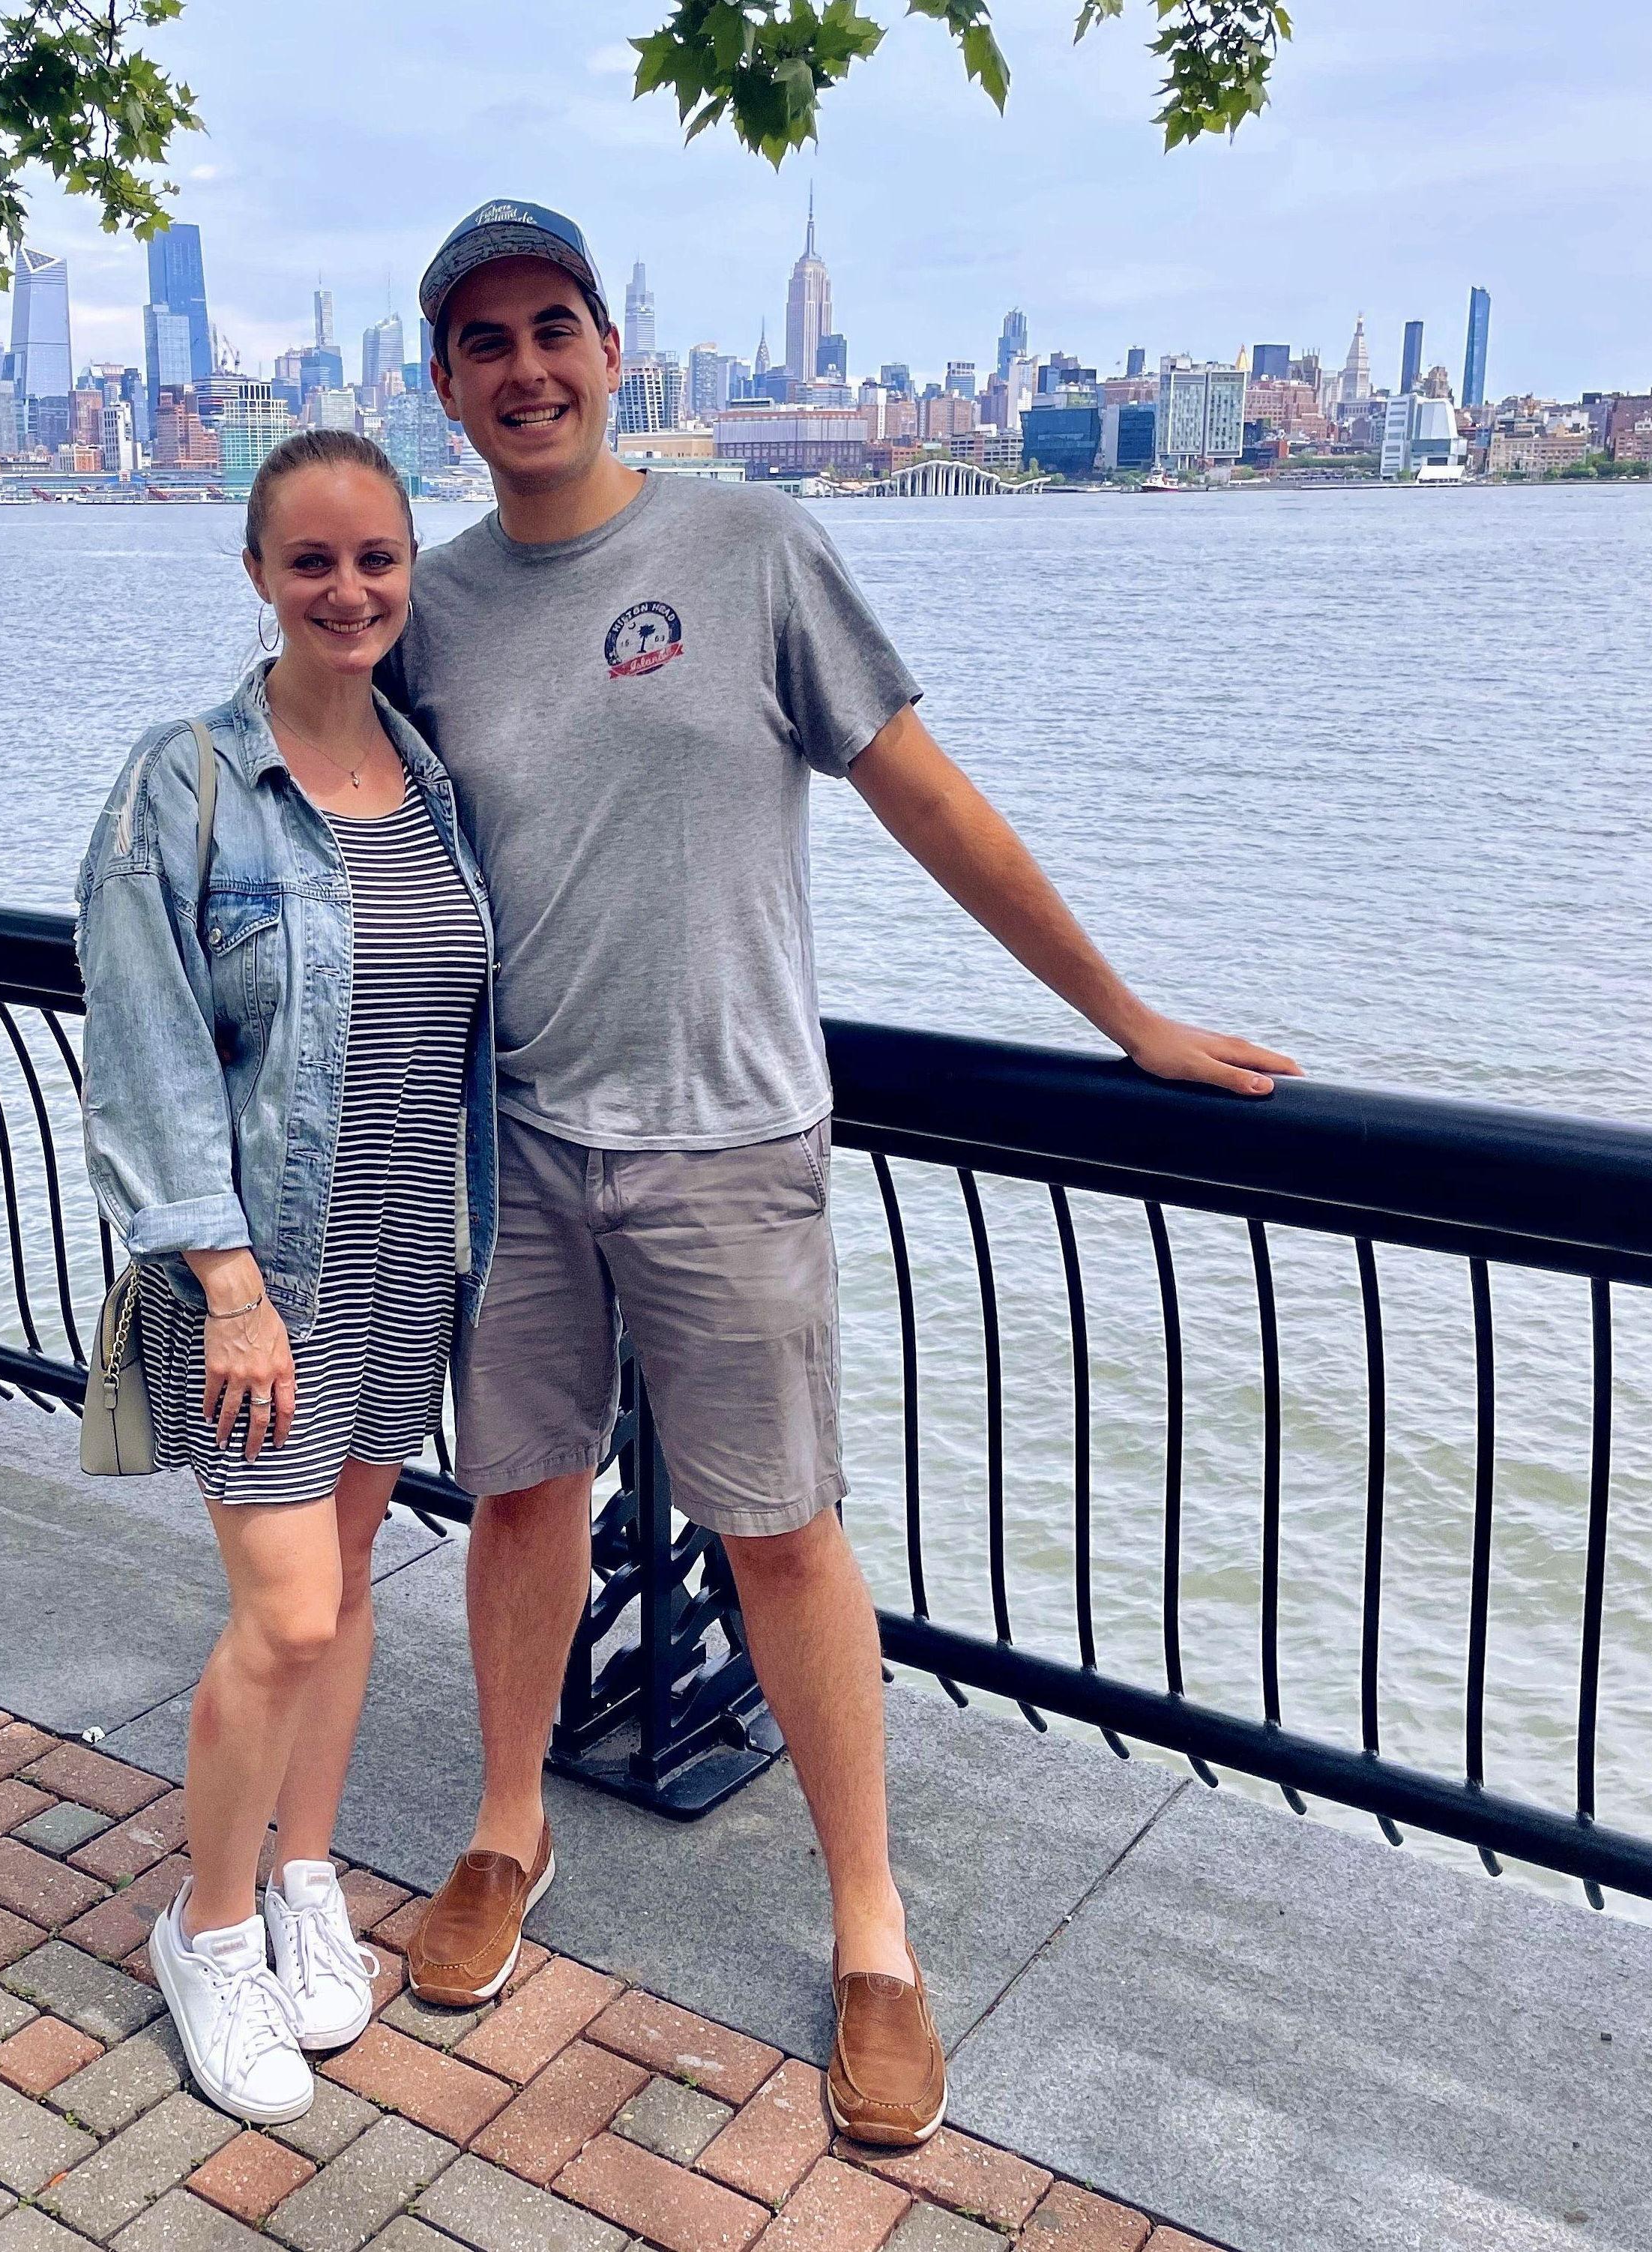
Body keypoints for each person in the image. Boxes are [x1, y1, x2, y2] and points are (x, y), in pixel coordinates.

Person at [381, 201, 1300, 2146]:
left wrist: (1120, 1013)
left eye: (556, 324)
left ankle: (870, 1931)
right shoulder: (428, 612)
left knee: (782, 1529)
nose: (526, 365)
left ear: (611, 349)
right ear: (445, 387)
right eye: (485, 341)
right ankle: (502, 1827)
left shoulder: (746, 547)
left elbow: (927, 795)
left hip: (727, 1143)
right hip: (520, 1147)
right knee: (522, 1498)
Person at [75, 429, 499, 2125]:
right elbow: (147, 1050)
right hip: (258, 1276)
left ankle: (308, 1869)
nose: (346, 589)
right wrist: (228, 1282)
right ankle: (210, 1921)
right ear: (257, 572)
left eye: (376, 559)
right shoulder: (181, 782)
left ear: (410, 573)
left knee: (345, 1589)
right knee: (288, 1613)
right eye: (310, 560)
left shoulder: (428, 777)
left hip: (406, 1248)